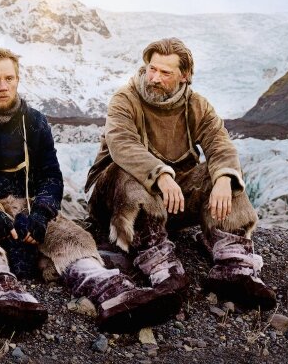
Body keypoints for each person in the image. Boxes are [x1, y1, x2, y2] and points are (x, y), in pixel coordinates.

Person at [0, 47, 181, 336]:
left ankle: (111, 290)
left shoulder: (33, 121)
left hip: (24, 206)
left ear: (18, 79)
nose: (3, 86)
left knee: (67, 234)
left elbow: (51, 175)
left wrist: (40, 213)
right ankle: (1, 292)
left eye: (9, 78)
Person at [85, 38, 276, 310]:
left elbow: (219, 142)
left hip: (172, 204)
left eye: (165, 73)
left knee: (224, 177)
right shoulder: (125, 99)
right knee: (126, 172)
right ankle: (162, 268)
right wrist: (161, 175)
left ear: (185, 76)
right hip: (118, 200)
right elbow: (122, 144)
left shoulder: (197, 106)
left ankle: (234, 265)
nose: (154, 78)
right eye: (152, 69)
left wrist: (223, 178)